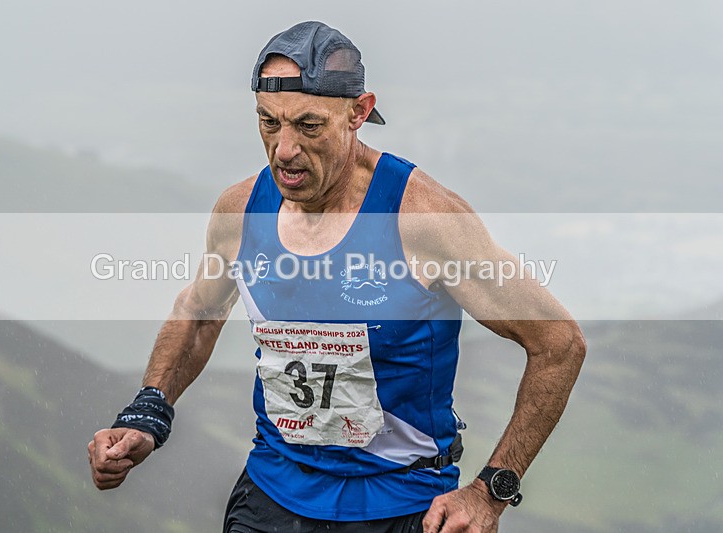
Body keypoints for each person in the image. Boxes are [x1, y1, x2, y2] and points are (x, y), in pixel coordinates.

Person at [88, 21, 586, 533]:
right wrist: (147, 412)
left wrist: (489, 493)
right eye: (268, 122)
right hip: (272, 495)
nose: (283, 149)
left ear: (359, 113)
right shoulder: (241, 211)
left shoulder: (423, 218)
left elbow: (558, 342)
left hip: (402, 504)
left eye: (308, 126)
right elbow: (198, 314)